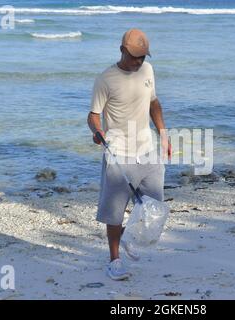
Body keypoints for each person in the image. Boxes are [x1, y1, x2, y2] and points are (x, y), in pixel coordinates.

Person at [87, 28, 172, 280]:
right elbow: (92, 116)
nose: (139, 61)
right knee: (114, 213)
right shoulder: (105, 79)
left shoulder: (147, 71)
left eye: (143, 56)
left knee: (154, 209)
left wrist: (163, 133)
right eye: (135, 56)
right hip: (119, 153)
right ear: (122, 50)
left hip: (147, 151)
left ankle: (128, 236)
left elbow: (153, 103)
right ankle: (114, 260)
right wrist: (98, 131)